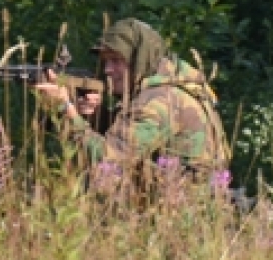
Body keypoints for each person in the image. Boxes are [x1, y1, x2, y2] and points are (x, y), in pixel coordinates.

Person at [32, 18, 229, 175]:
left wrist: (65, 109)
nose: (108, 70)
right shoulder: (172, 89)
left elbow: (109, 160)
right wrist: (95, 116)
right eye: (105, 61)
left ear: (140, 61)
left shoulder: (156, 102)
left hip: (173, 214)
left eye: (117, 60)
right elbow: (133, 139)